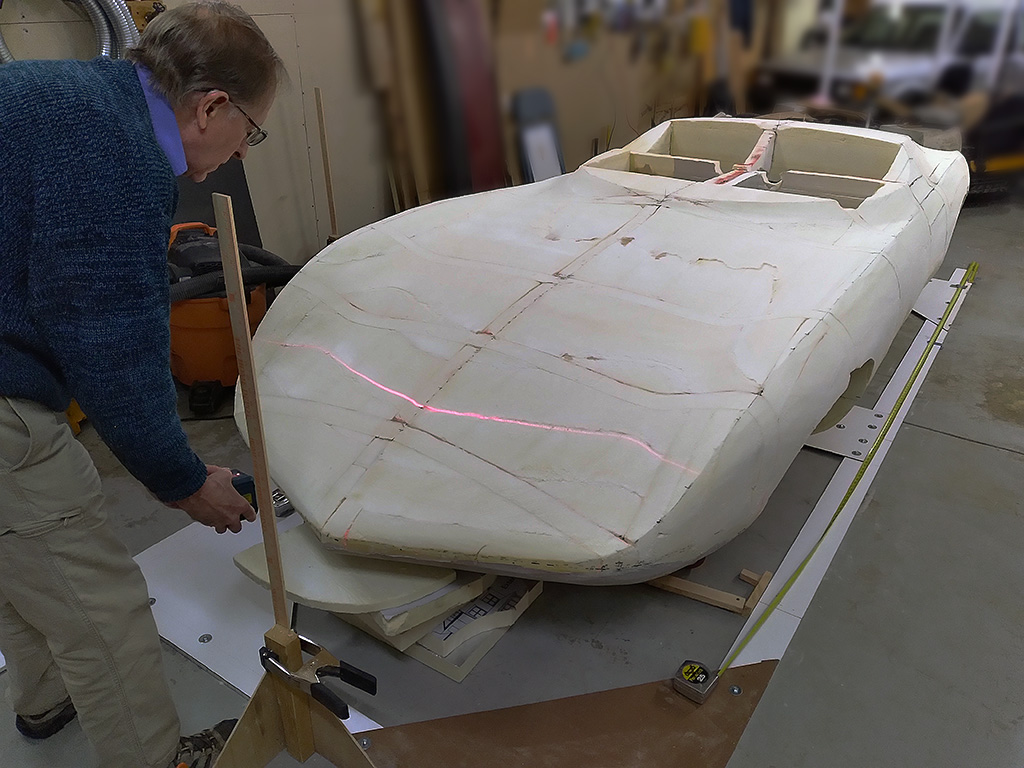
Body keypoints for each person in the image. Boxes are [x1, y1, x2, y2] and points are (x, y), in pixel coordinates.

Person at [0, 3, 284, 766]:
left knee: (18, 556)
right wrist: (183, 480)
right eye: (250, 131)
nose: (243, 152)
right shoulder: (116, 158)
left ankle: (42, 697)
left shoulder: (69, 95)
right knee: (101, 605)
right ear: (210, 107)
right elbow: (112, 354)